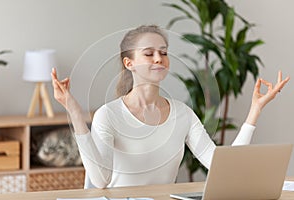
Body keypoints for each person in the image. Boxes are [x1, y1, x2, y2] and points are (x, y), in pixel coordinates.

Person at [51, 25, 290, 189]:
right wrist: (73, 110)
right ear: (129, 63)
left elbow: (225, 166)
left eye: (163, 53)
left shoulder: (183, 114)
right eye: (149, 53)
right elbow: (100, 180)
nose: (159, 58)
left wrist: (255, 110)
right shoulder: (109, 115)